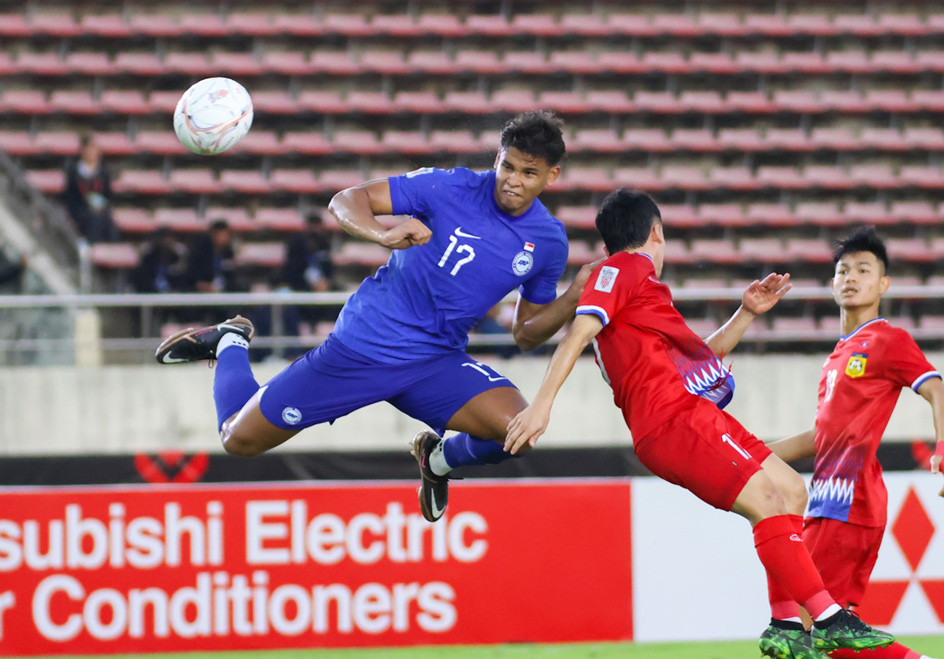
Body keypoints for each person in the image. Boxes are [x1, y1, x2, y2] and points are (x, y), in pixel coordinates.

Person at [504, 189, 895, 659]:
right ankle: (829, 618)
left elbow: (696, 362)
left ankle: (788, 624)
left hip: (689, 412)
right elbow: (578, 334)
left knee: (791, 489)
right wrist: (543, 404)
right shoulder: (625, 269)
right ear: (656, 233)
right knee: (767, 500)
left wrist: (746, 313)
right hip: (672, 421)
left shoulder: (636, 293)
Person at [154, 111, 597, 522]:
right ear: (498, 159)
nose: (513, 181)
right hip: (362, 350)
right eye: (508, 167)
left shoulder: (548, 242)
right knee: (237, 439)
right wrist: (382, 233)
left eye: (529, 173)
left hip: (435, 364)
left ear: (551, 176)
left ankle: (437, 459)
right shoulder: (447, 187)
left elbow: (525, 334)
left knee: (517, 433)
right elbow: (348, 199)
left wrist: (572, 297)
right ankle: (231, 342)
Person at [766, 226, 944, 659]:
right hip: (829, 502)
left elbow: (939, 392)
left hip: (850, 504)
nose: (851, 277)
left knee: (808, 626)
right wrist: (750, 453)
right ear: (833, 283)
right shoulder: (838, 355)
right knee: (821, 632)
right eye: (843, 270)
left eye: (863, 270)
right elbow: (822, 437)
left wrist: (943, 449)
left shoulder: (889, 340)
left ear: (882, 284)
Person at [280, 211, 338, 333]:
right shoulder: (296, 245)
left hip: (323, 288)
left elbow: (328, 268)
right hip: (300, 287)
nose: (315, 231)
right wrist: (310, 283)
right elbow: (291, 271)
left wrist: (326, 282)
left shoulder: (324, 244)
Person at [62, 133, 118, 244]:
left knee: (107, 221)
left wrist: (101, 204)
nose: (92, 152)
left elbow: (108, 194)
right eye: (89, 148)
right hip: (80, 210)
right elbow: (70, 196)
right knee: (92, 218)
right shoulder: (73, 171)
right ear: (82, 150)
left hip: (100, 210)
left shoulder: (103, 172)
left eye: (95, 148)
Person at [131, 227, 187, 294]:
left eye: (169, 238)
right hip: (150, 293)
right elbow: (141, 280)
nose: (166, 242)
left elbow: (180, 279)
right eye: (163, 239)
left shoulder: (176, 258)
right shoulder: (148, 258)